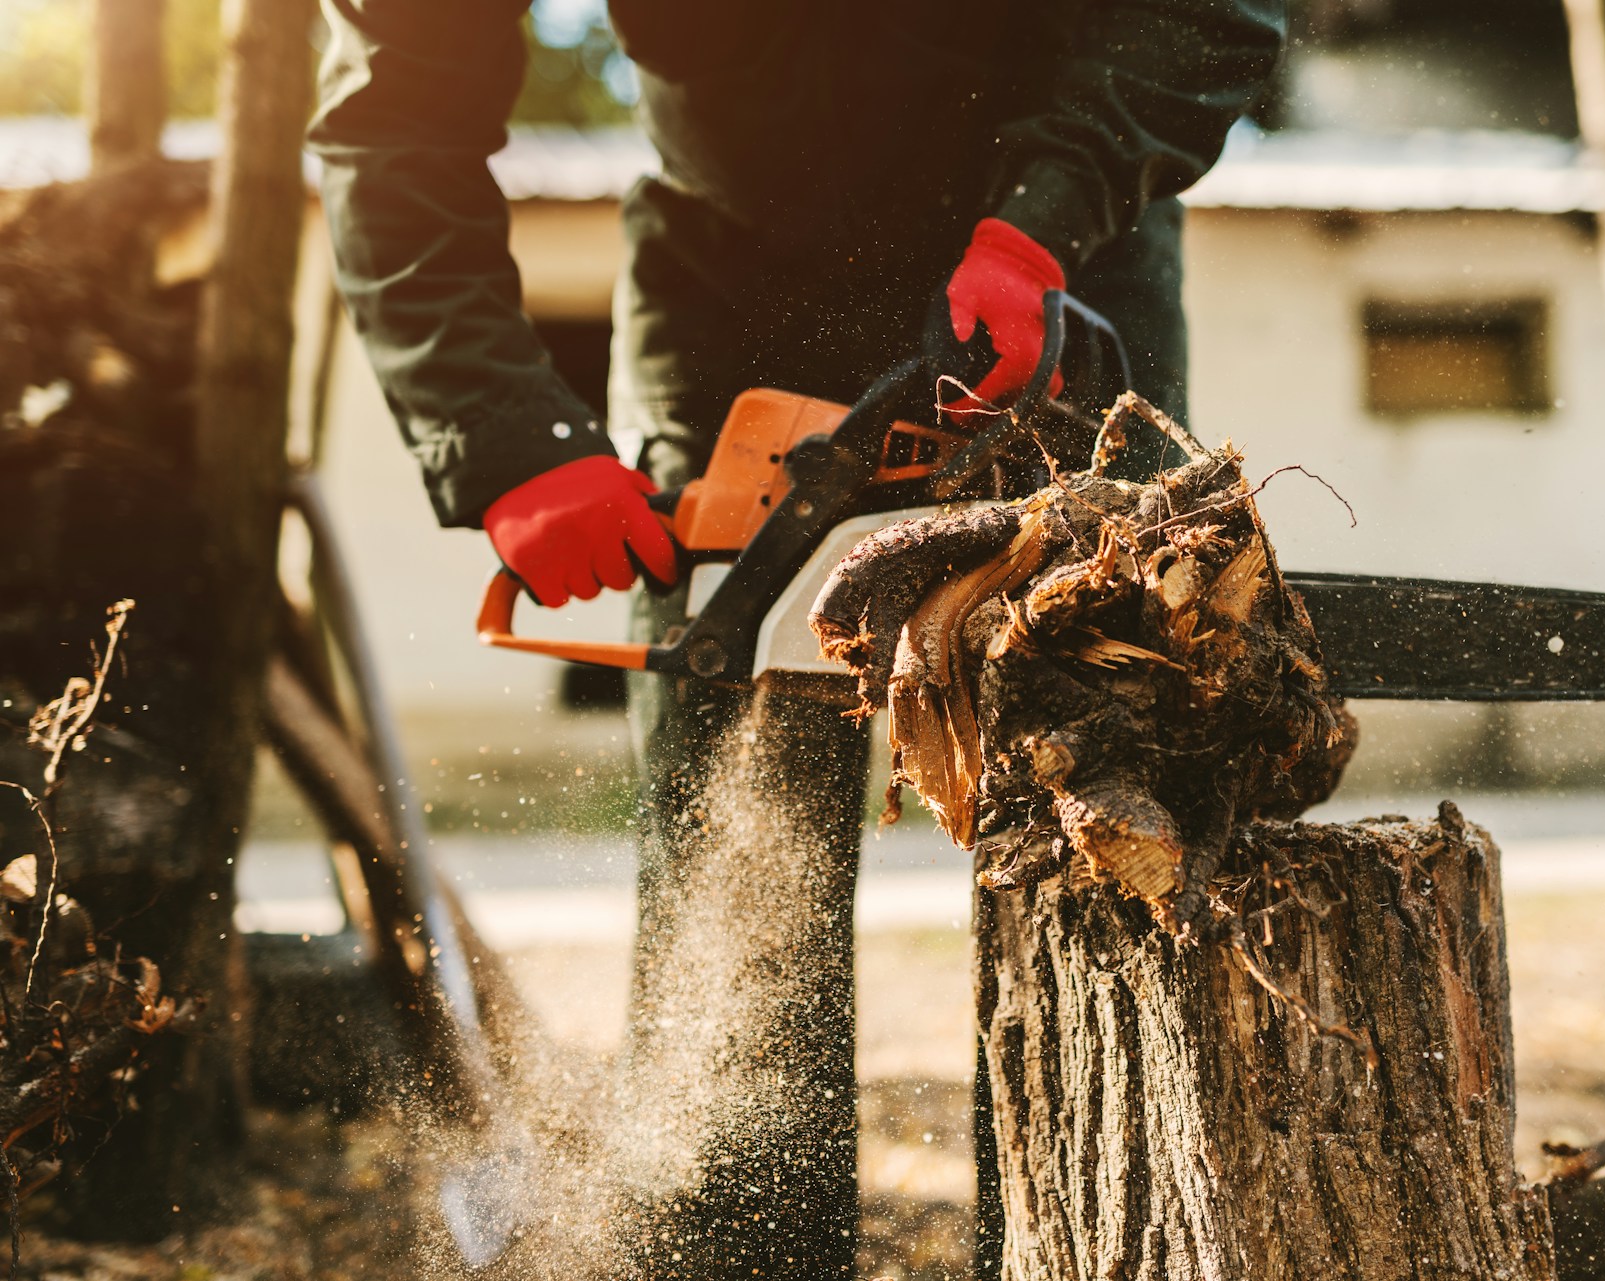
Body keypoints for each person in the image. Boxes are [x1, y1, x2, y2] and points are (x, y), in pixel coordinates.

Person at [309, 3, 1285, 1276]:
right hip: (740, 302)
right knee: (736, 852)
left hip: (1066, 272)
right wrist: (503, 434)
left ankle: (1091, 1248)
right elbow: (398, 113)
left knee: (1103, 828)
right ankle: (734, 1245)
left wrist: (1045, 218)